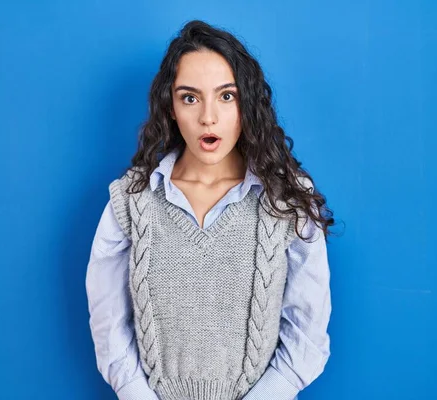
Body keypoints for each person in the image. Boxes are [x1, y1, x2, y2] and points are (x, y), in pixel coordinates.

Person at [85, 19, 341, 400]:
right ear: (170, 107)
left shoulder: (286, 198)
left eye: (226, 96)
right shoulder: (131, 201)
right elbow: (109, 329)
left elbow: (307, 337)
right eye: (190, 97)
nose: (208, 117)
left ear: (247, 104)